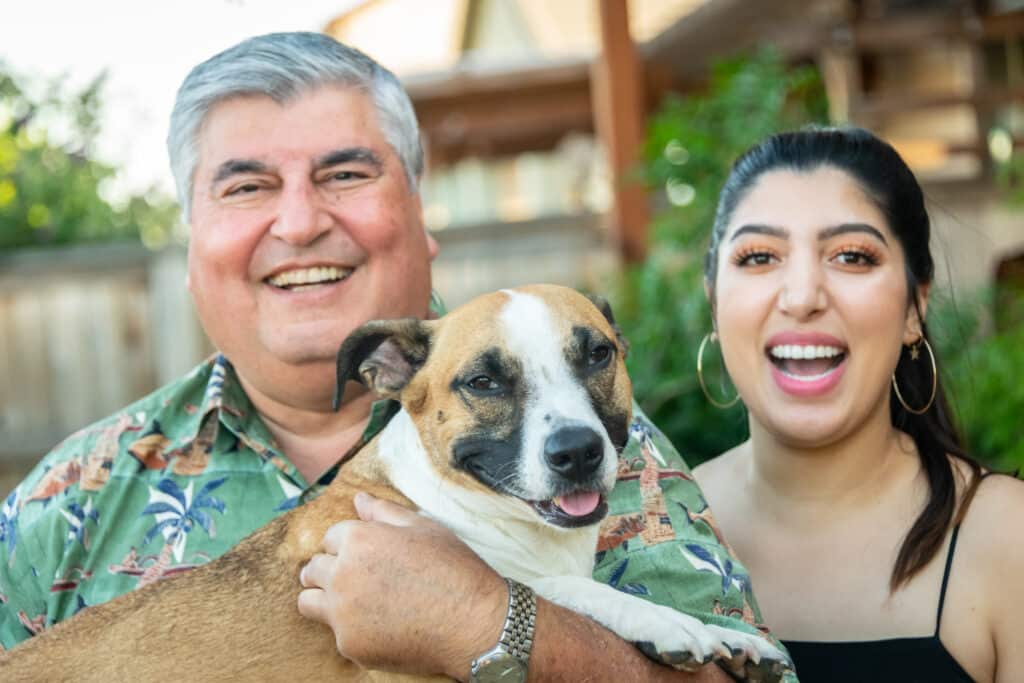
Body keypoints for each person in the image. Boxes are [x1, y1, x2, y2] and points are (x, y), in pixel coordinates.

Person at [0, 32, 783, 681]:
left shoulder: (594, 448)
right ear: (190, 246)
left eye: (345, 174)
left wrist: (494, 623)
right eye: (246, 187)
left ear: (421, 214)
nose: (300, 222)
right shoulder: (66, 502)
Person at [692, 127, 1024, 682]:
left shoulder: (1008, 537)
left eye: (851, 256)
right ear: (714, 303)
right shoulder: (652, 530)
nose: (802, 297)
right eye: (759, 256)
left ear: (914, 308)